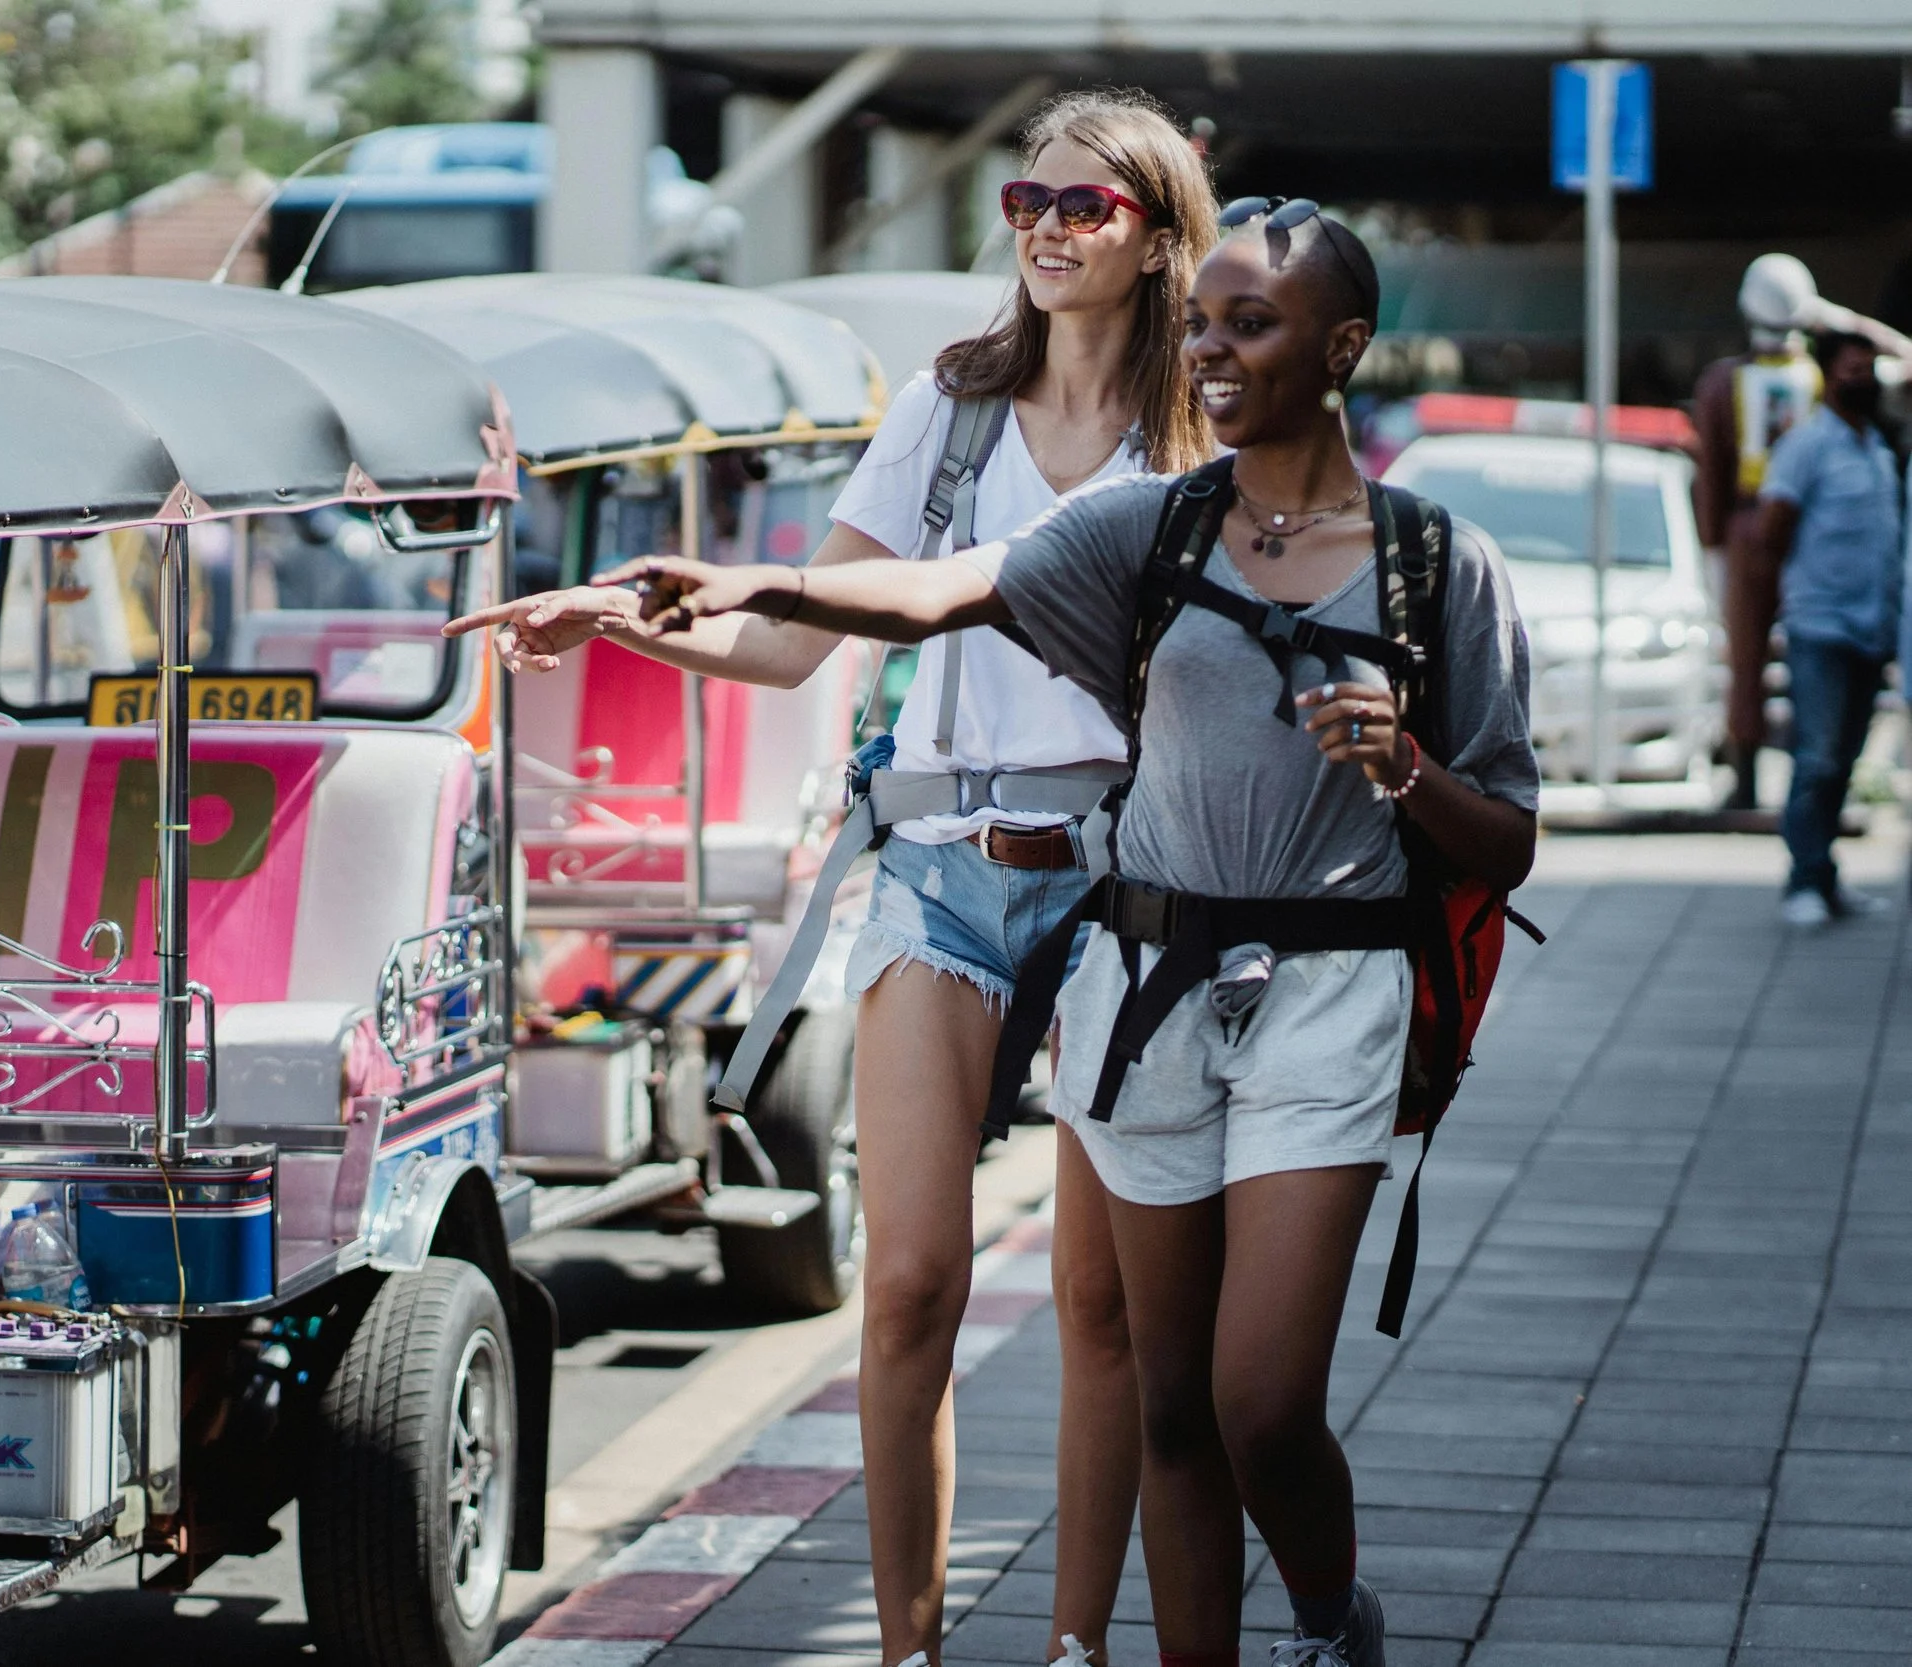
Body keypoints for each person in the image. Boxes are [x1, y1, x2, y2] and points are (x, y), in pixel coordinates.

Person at [591, 204, 1538, 1667]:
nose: (1213, 350)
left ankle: (1332, 1610)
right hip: (1147, 987)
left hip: (1332, 994)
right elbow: (935, 591)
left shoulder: (1432, 564)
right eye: (1207, 321)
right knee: (1167, 1400)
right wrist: (759, 583)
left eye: (1254, 324)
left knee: (1260, 1399)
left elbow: (1513, 833)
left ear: (1344, 348)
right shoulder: (1148, 527)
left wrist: (1406, 765)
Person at [448, 91, 1219, 1667]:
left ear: (1157, 237)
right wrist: (617, 614)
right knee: (910, 1284)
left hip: (1122, 882)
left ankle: (1075, 1641)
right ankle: (908, 1650)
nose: (1048, 229)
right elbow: (797, 631)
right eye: (1026, 201)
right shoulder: (954, 403)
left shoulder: (1192, 430)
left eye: (1087, 206)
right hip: (937, 868)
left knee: (1098, 1308)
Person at [1758, 330, 1906, 926]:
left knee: (1845, 760)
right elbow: (1771, 531)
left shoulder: (1877, 447)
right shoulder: (1807, 445)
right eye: (1852, 368)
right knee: (1815, 758)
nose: (1864, 379)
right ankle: (1802, 880)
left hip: (1874, 627)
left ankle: (1826, 875)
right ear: (1827, 374)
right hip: (1821, 626)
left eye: (1871, 368)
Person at [1693, 257, 1824, 810]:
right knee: (1812, 656)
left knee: (1745, 657)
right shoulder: (1821, 376)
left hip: (1749, 527)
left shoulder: (1724, 380)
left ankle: (1746, 780)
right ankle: (1811, 776)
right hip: (1810, 532)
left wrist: (1711, 543)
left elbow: (1712, 471)